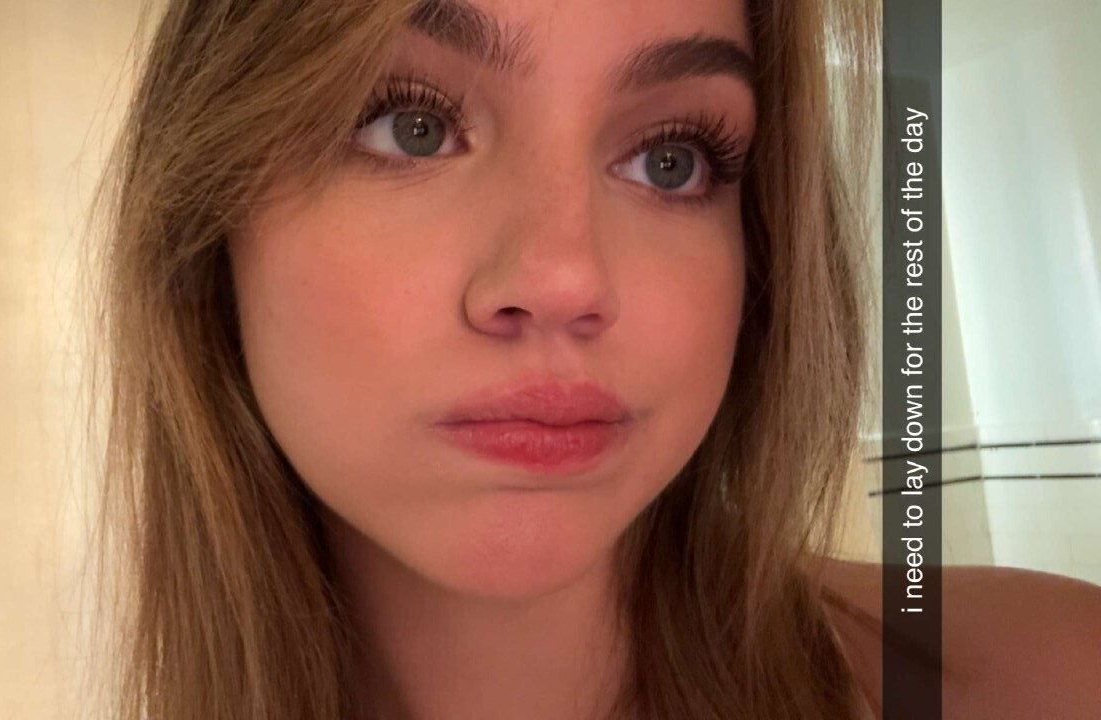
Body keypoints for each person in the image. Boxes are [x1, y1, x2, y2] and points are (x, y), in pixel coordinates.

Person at [86, 1, 1101, 718]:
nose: (564, 277)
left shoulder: (1048, 680)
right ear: (207, 228)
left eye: (670, 159)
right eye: (412, 127)